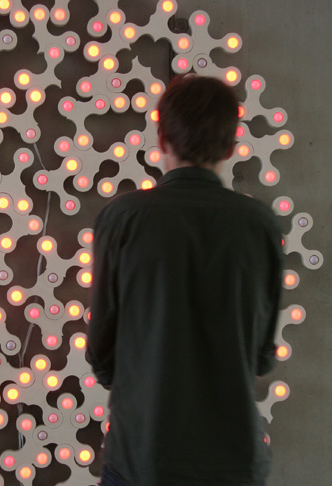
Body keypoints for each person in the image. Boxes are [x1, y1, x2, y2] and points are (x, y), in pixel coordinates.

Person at [86, 75, 284, 486]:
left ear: (162, 139)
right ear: (230, 146)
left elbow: (102, 350)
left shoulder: (123, 219)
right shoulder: (260, 224)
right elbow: (263, 355)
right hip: (232, 462)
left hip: (142, 456)